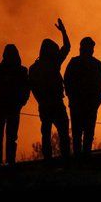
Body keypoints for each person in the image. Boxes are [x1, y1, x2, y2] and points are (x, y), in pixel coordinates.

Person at [29, 18, 72, 161]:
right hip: (55, 103)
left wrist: (40, 100)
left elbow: (33, 87)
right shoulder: (54, 63)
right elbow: (66, 47)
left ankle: (48, 160)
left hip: (44, 104)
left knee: (46, 133)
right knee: (63, 131)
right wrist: (64, 32)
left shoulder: (34, 68)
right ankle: (66, 159)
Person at [0, 44, 31, 166]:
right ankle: (7, 161)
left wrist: (20, 102)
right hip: (8, 107)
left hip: (5, 107)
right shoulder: (21, 71)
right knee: (8, 137)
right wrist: (21, 102)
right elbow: (26, 89)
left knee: (1, 136)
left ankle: (0, 162)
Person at [64, 36, 101, 157]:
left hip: (85, 105)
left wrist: (96, 101)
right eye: (90, 47)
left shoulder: (76, 63)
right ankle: (82, 159)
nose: (91, 50)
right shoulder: (94, 64)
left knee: (82, 134)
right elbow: (67, 82)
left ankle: (81, 159)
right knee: (82, 134)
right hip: (83, 105)